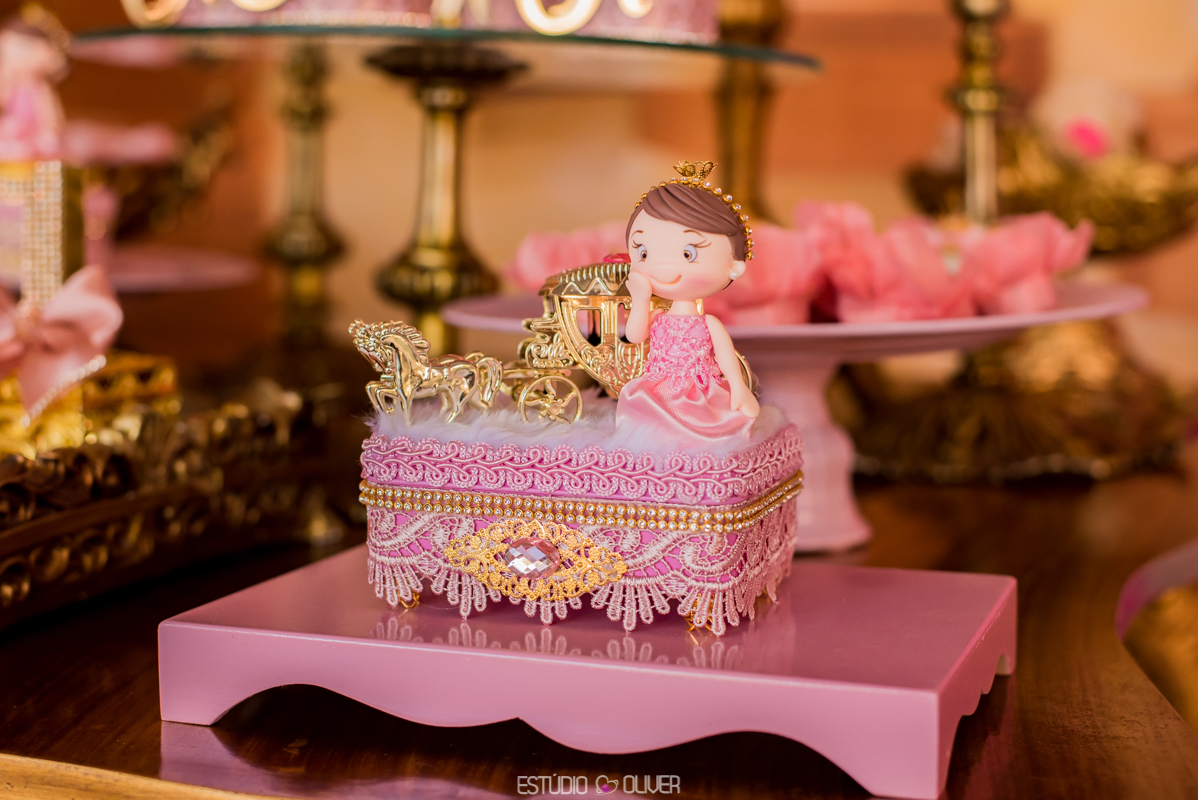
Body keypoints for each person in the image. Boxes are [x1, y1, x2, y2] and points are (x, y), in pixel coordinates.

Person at [616, 161, 760, 446]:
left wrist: (739, 388)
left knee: (703, 438)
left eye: (688, 253)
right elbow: (633, 336)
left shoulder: (709, 323)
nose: (662, 266)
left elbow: (726, 357)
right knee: (649, 436)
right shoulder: (657, 315)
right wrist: (641, 298)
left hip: (700, 396)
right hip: (656, 393)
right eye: (643, 253)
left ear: (734, 267)